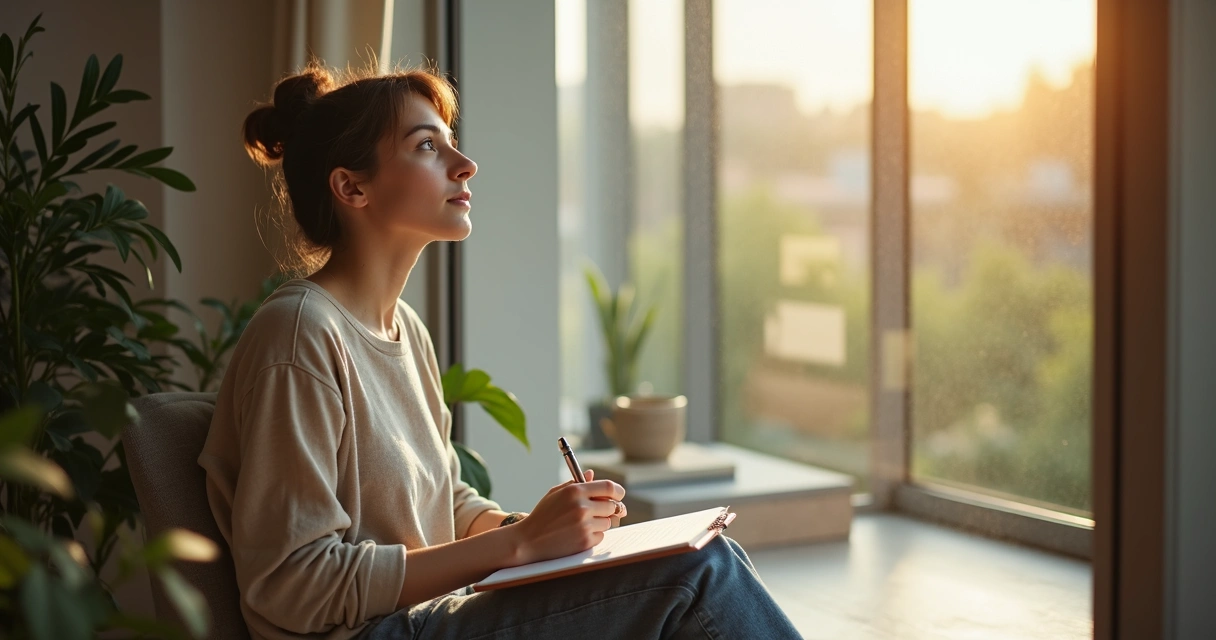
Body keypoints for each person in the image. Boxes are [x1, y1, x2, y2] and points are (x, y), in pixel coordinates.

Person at [198, 60, 803, 640]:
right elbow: (291, 585)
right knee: (699, 575)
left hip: (429, 616)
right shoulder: (301, 334)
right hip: (370, 634)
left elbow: (444, 499)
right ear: (351, 187)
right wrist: (518, 546)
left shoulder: (405, 329)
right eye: (427, 146)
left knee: (702, 553)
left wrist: (534, 527)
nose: (466, 165)